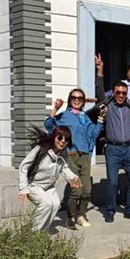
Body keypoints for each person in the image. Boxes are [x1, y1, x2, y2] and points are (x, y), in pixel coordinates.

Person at [95, 54, 130, 223]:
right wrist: (100, 71)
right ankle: (110, 211)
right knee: (112, 183)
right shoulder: (108, 105)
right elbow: (100, 91)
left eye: (123, 93)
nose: (120, 95)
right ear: (114, 93)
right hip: (112, 149)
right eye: (118, 92)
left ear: (126, 94)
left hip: (129, 149)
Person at [45, 88, 104, 228]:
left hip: (85, 157)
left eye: (80, 98)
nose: (77, 100)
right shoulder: (64, 116)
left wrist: (101, 119)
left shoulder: (85, 117)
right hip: (70, 156)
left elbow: (93, 135)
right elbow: (49, 125)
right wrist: (55, 109)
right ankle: (70, 217)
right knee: (76, 189)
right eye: (74, 97)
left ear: (83, 101)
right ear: (70, 99)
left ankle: (81, 215)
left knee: (87, 190)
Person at [18, 126, 81, 232]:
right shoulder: (41, 148)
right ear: (54, 137)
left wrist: (72, 178)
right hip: (34, 184)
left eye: (66, 139)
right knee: (46, 204)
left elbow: (64, 167)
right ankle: (31, 233)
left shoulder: (63, 153)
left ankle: (40, 232)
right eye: (60, 138)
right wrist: (23, 188)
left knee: (55, 205)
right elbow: (24, 166)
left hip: (49, 186)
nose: (63, 141)